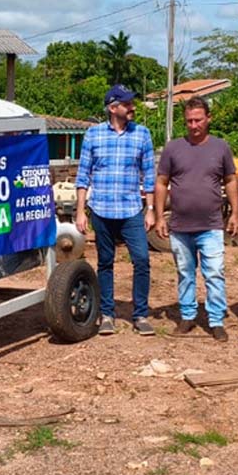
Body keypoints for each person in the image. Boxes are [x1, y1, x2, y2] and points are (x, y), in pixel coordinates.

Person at [154, 96, 238, 341]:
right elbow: (161, 183)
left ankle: (216, 320)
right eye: (189, 121)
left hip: (211, 225)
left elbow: (230, 180)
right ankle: (188, 316)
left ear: (208, 119)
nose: (194, 125)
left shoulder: (220, 147)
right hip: (180, 227)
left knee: (214, 273)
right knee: (185, 273)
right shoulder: (173, 148)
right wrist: (159, 217)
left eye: (198, 120)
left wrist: (235, 213)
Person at [75, 84, 156, 336]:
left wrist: (150, 209)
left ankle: (140, 314)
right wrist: (80, 211)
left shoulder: (142, 134)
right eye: (127, 104)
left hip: (131, 210)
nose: (132, 107)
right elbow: (83, 175)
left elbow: (149, 176)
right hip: (101, 209)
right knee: (105, 263)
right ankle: (107, 314)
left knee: (142, 260)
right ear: (113, 108)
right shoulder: (93, 135)